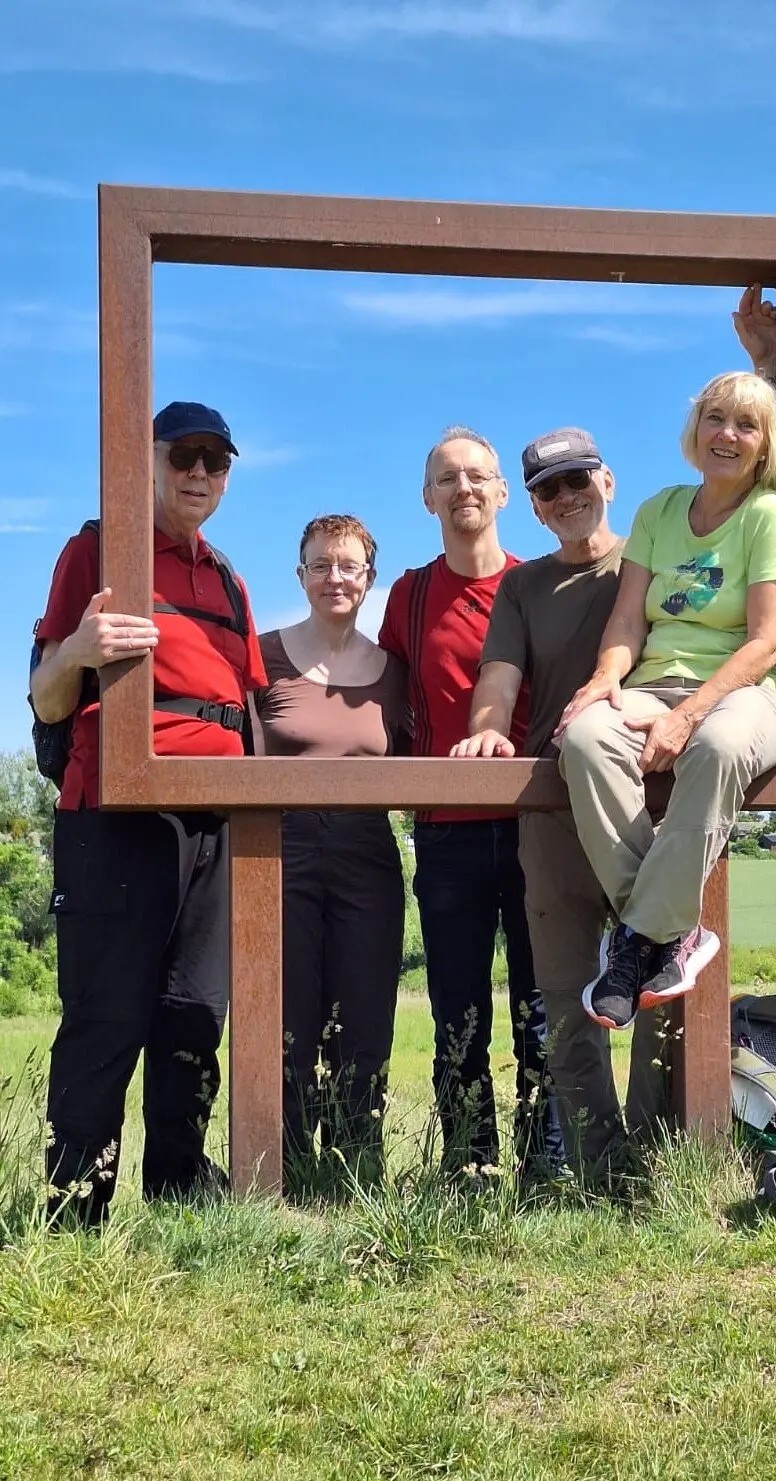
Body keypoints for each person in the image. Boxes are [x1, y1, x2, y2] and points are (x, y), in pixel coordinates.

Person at [451, 290, 776, 1178]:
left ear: (608, 480)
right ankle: (603, 1170)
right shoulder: (522, 589)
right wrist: (487, 731)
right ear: (532, 503)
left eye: (577, 478)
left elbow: (761, 462)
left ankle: (658, 1164)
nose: (565, 496)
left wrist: (763, 366)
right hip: (557, 810)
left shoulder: (666, 541)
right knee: (569, 996)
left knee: (659, 998)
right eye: (546, 487)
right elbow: (500, 678)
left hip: (661, 785)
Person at [31, 401, 267, 1226]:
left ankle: (178, 1204)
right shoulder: (100, 550)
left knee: (193, 1016)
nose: (200, 473)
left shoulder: (229, 578)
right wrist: (80, 653)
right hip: (118, 815)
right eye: (185, 456)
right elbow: (46, 694)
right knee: (107, 1016)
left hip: (217, 819)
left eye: (217, 461)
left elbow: (251, 702)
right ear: (150, 461)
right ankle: (72, 1213)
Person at [555, 319, 776, 1033]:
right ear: (694, 429)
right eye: (714, 418)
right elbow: (628, 621)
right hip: (651, 679)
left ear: (764, 445)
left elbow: (764, 641)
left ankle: (634, 945)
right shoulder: (659, 509)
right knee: (582, 737)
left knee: (717, 747)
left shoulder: (768, 514)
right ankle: (668, 934)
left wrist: (685, 715)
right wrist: (605, 677)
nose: (726, 434)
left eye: (745, 426)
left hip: (743, 691)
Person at [378, 427, 565, 1179]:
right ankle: (466, 1161)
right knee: (457, 1007)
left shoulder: (541, 584)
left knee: (541, 1001)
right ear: (427, 498)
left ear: (502, 493)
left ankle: (547, 1161)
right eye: (447, 478)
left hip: (537, 824)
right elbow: (385, 700)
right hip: (446, 833)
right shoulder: (409, 595)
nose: (463, 489)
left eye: (477, 476)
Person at [253, 514, 406, 1193]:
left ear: (369, 578)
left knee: (364, 1021)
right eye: (320, 564)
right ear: (300, 575)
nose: (334, 576)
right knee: (285, 1020)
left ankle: (354, 1170)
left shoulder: (391, 673)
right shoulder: (264, 657)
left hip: (367, 857)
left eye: (348, 565)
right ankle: (280, 1169)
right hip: (278, 856)